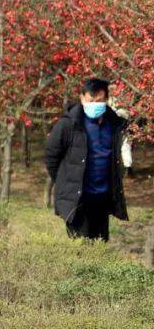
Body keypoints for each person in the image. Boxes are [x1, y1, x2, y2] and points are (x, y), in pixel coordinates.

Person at [45, 77, 129, 242]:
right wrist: (65, 181)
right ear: (82, 97)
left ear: (106, 99)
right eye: (91, 100)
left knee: (100, 245)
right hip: (78, 198)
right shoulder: (68, 124)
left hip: (103, 196)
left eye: (99, 101)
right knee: (81, 247)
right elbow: (51, 156)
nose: (95, 105)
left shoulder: (113, 124)